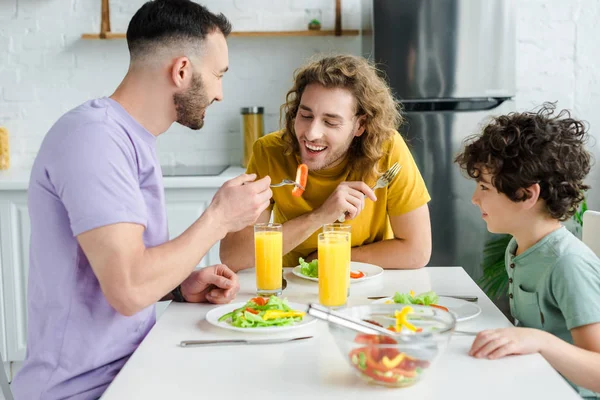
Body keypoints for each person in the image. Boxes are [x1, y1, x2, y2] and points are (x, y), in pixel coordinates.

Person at [12, 1, 272, 399]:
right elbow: (129, 289)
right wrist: (219, 218)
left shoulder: (130, 138)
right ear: (182, 70)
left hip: (132, 368)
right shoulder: (94, 139)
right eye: (218, 75)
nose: (220, 93)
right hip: (83, 390)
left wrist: (179, 287)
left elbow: (117, 275)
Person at [220, 55, 432, 270]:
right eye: (305, 115)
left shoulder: (387, 149)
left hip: (365, 285)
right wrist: (320, 216)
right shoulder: (269, 151)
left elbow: (417, 251)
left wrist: (328, 257)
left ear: (360, 125)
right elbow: (234, 257)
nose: (312, 134)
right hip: (291, 288)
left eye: (330, 122)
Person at [455, 103, 600, 398]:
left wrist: (541, 341)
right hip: (532, 381)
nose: (474, 198)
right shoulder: (519, 245)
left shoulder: (567, 264)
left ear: (525, 194)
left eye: (484, 187)